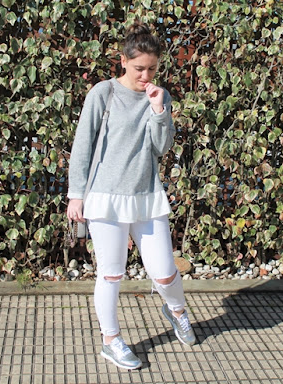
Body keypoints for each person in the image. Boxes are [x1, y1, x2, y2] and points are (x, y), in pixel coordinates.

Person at [66, 22, 196, 370]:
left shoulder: (160, 95)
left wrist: (158, 111)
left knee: (164, 272)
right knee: (111, 273)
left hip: (146, 195)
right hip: (105, 196)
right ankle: (111, 341)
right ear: (123, 61)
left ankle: (177, 311)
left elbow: (161, 147)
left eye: (152, 69)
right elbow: (83, 144)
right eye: (139, 68)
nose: (146, 75)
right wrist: (76, 195)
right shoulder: (103, 93)